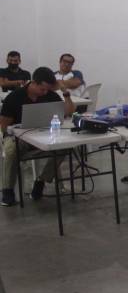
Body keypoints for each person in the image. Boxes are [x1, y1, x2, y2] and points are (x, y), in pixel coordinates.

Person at [1, 67, 75, 206]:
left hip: (44, 135)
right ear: (34, 82)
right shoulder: (15, 97)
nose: (45, 92)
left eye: (47, 89)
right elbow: (4, 126)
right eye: (42, 89)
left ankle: (41, 181)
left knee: (64, 147)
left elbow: (69, 112)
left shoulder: (50, 95)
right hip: (18, 138)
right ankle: (7, 190)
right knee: (11, 150)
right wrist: (15, 132)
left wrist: (66, 94)